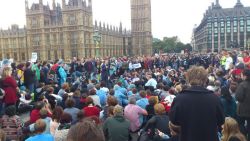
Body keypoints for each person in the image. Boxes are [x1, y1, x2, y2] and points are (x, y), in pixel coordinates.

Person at [169, 66, 225, 141]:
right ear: (205, 79)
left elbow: (174, 121)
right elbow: (221, 120)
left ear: (188, 79)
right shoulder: (214, 98)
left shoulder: (179, 98)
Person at [235, 69, 250, 141]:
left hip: (242, 110)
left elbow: (238, 97)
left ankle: (243, 138)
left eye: (241, 74)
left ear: (245, 76)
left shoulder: (242, 85)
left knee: (240, 124)